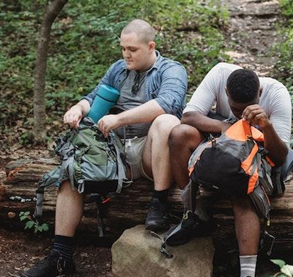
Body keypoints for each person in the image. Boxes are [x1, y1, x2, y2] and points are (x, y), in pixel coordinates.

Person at [23, 19, 187, 277]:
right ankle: (61, 255)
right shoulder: (118, 69)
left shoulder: (172, 70)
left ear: (151, 46)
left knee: (167, 122)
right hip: (116, 150)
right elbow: (94, 98)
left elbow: (167, 104)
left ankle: (159, 202)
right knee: (71, 169)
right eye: (123, 48)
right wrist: (78, 108)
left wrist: (120, 118)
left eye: (132, 49)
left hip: (150, 152)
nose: (126, 54)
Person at [169, 62, 293, 277]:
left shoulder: (277, 94)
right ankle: (194, 213)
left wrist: (266, 126)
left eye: (246, 108)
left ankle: (247, 271)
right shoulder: (219, 74)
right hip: (219, 144)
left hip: (256, 157)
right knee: (179, 135)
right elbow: (188, 116)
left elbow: (281, 157)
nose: (241, 115)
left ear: (260, 93)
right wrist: (225, 127)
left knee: (240, 189)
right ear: (226, 92)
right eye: (235, 109)